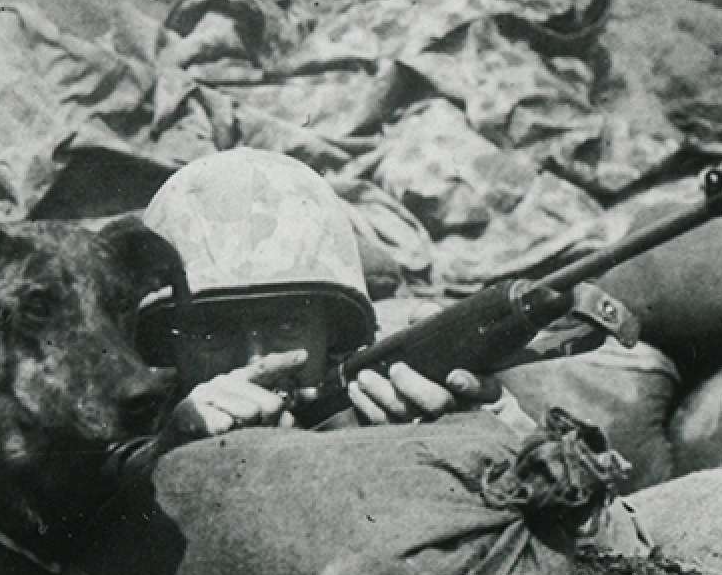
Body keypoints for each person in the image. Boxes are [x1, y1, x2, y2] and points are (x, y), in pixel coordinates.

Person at [130, 148, 526, 465]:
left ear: (331, 331)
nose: (256, 361)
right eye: (211, 333)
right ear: (168, 345)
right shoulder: (140, 421)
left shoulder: (376, 398)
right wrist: (168, 458)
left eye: (286, 327)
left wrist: (492, 432)